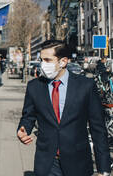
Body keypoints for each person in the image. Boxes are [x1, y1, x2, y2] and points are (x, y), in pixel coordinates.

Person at [17, 40, 111, 176]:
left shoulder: (86, 86)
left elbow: (98, 129)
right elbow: (28, 116)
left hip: (78, 162)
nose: (43, 64)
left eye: (48, 60)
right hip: (47, 163)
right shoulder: (34, 87)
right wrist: (23, 129)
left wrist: (104, 169)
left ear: (63, 62)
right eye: (41, 60)